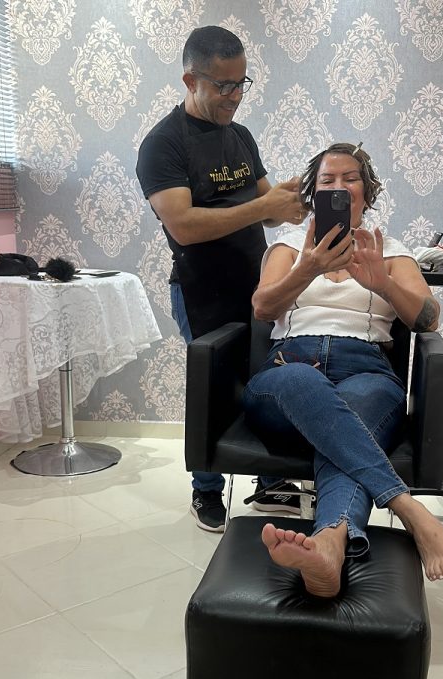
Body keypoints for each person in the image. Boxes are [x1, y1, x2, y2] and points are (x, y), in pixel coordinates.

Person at [242, 142, 443, 597]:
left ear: (367, 191)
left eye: (350, 179)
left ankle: (330, 544)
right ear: (314, 193)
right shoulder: (289, 245)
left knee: (352, 414)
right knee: (305, 382)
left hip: (366, 369)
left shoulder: (390, 250)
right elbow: (263, 308)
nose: (339, 187)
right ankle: (409, 509)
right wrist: (307, 268)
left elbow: (428, 318)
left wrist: (383, 283)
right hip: (289, 368)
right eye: (327, 181)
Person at [136, 26, 308, 532]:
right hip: (200, 289)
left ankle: (268, 480)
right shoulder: (163, 144)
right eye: (223, 85)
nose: (235, 96)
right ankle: (207, 490)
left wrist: (291, 202)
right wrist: (262, 205)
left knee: (264, 378)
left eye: (241, 83)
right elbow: (185, 226)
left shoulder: (241, 136)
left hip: (254, 284)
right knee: (211, 387)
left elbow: (266, 212)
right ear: (191, 80)